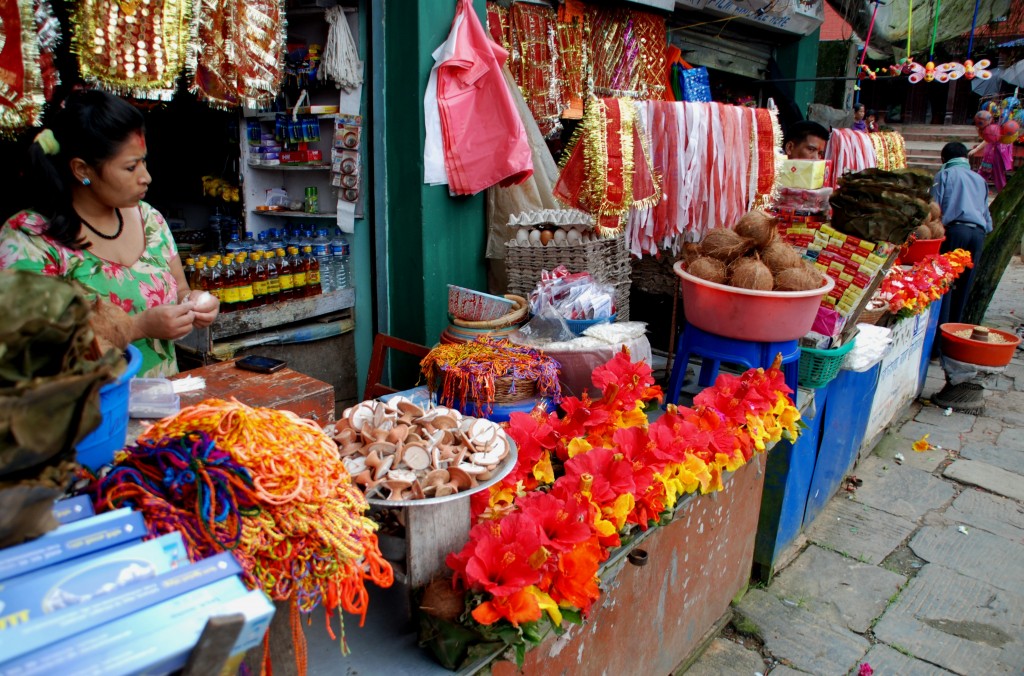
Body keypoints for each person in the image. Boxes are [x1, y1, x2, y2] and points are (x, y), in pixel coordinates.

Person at [0, 89, 218, 377]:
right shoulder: (30, 239)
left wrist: (194, 302)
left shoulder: (149, 219)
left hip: (161, 406)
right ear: (82, 170)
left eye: (144, 161)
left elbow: (179, 289)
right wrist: (137, 327)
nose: (146, 177)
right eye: (130, 167)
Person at [931, 142, 992, 328]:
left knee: (945, 284)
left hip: (956, 232)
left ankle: (939, 341)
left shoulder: (945, 175)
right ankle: (955, 333)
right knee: (964, 287)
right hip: (978, 234)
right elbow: (986, 216)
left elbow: (934, 210)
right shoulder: (980, 179)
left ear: (944, 159)